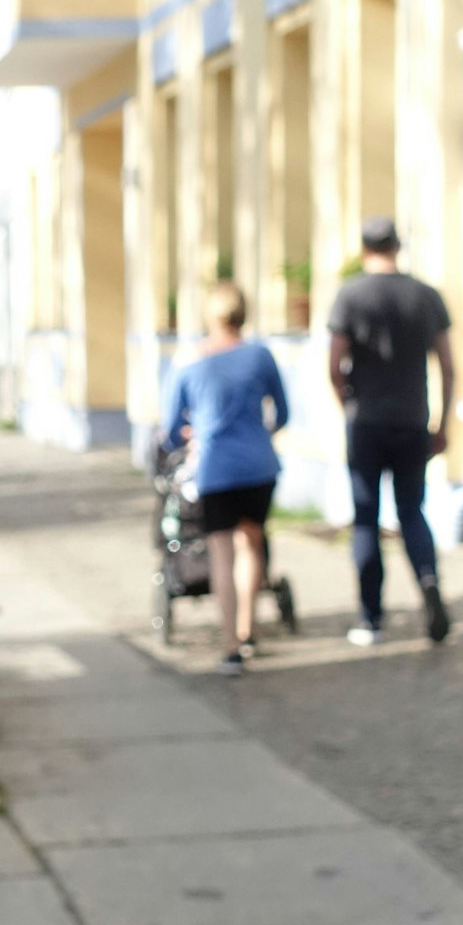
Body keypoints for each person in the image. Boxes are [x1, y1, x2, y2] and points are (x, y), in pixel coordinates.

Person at [327, 217, 455, 646]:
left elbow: (334, 362)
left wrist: (347, 401)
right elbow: (449, 366)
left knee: (366, 519)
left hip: (366, 423)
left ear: (364, 249)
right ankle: (429, 581)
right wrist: (443, 422)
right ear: (397, 246)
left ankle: (370, 619)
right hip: (412, 420)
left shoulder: (351, 296)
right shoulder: (426, 296)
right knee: (412, 511)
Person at [162, 282, 290, 676]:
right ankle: (248, 629)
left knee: (222, 552)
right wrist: (259, 436)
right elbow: (282, 412)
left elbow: (169, 429)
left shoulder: (189, 363)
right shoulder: (260, 356)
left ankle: (230, 645)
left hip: (216, 468)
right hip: (259, 466)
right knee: (252, 544)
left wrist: (189, 435)